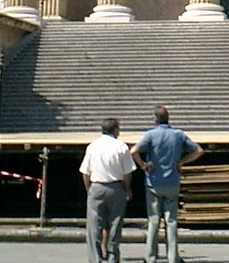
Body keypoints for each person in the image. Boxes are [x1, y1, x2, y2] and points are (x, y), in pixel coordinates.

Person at [132, 106, 204, 263]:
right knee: (171, 221)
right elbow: (198, 150)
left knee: (153, 220)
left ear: (155, 119)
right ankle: (173, 257)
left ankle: (150, 257)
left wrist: (144, 165)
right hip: (172, 181)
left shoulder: (151, 135)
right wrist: (182, 161)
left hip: (153, 182)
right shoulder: (178, 134)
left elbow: (133, 151)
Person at [79, 117, 137, 263]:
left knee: (94, 226)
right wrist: (127, 189)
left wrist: (89, 190)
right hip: (116, 187)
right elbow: (128, 172)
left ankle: (95, 258)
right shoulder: (121, 147)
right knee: (115, 224)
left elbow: (85, 172)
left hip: (97, 186)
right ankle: (112, 257)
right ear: (115, 130)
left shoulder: (92, 146)